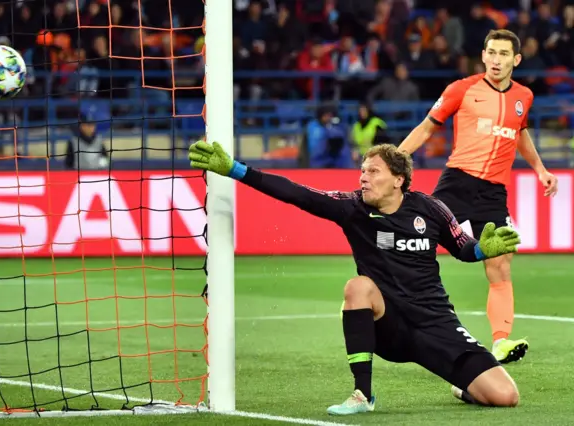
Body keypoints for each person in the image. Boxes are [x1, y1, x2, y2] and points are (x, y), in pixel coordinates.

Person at [188, 140, 522, 415]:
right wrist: (236, 170)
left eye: (373, 171)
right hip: (389, 325)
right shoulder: (353, 208)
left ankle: (463, 386)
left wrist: (483, 250)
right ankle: (363, 395)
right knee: (358, 287)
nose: (363, 178)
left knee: (506, 396)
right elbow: (297, 193)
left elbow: (464, 248)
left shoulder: (430, 209)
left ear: (398, 179)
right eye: (362, 171)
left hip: (437, 324)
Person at [398, 29, 558, 364]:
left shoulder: (524, 97)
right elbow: (427, 128)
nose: (496, 60)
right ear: (483, 56)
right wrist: (393, 161)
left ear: (516, 60)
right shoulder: (462, 89)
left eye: (503, 54)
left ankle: (500, 342)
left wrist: (540, 169)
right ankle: (389, 299)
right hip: (457, 181)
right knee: (418, 239)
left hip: (493, 192)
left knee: (500, 263)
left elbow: (520, 133)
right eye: (491, 53)